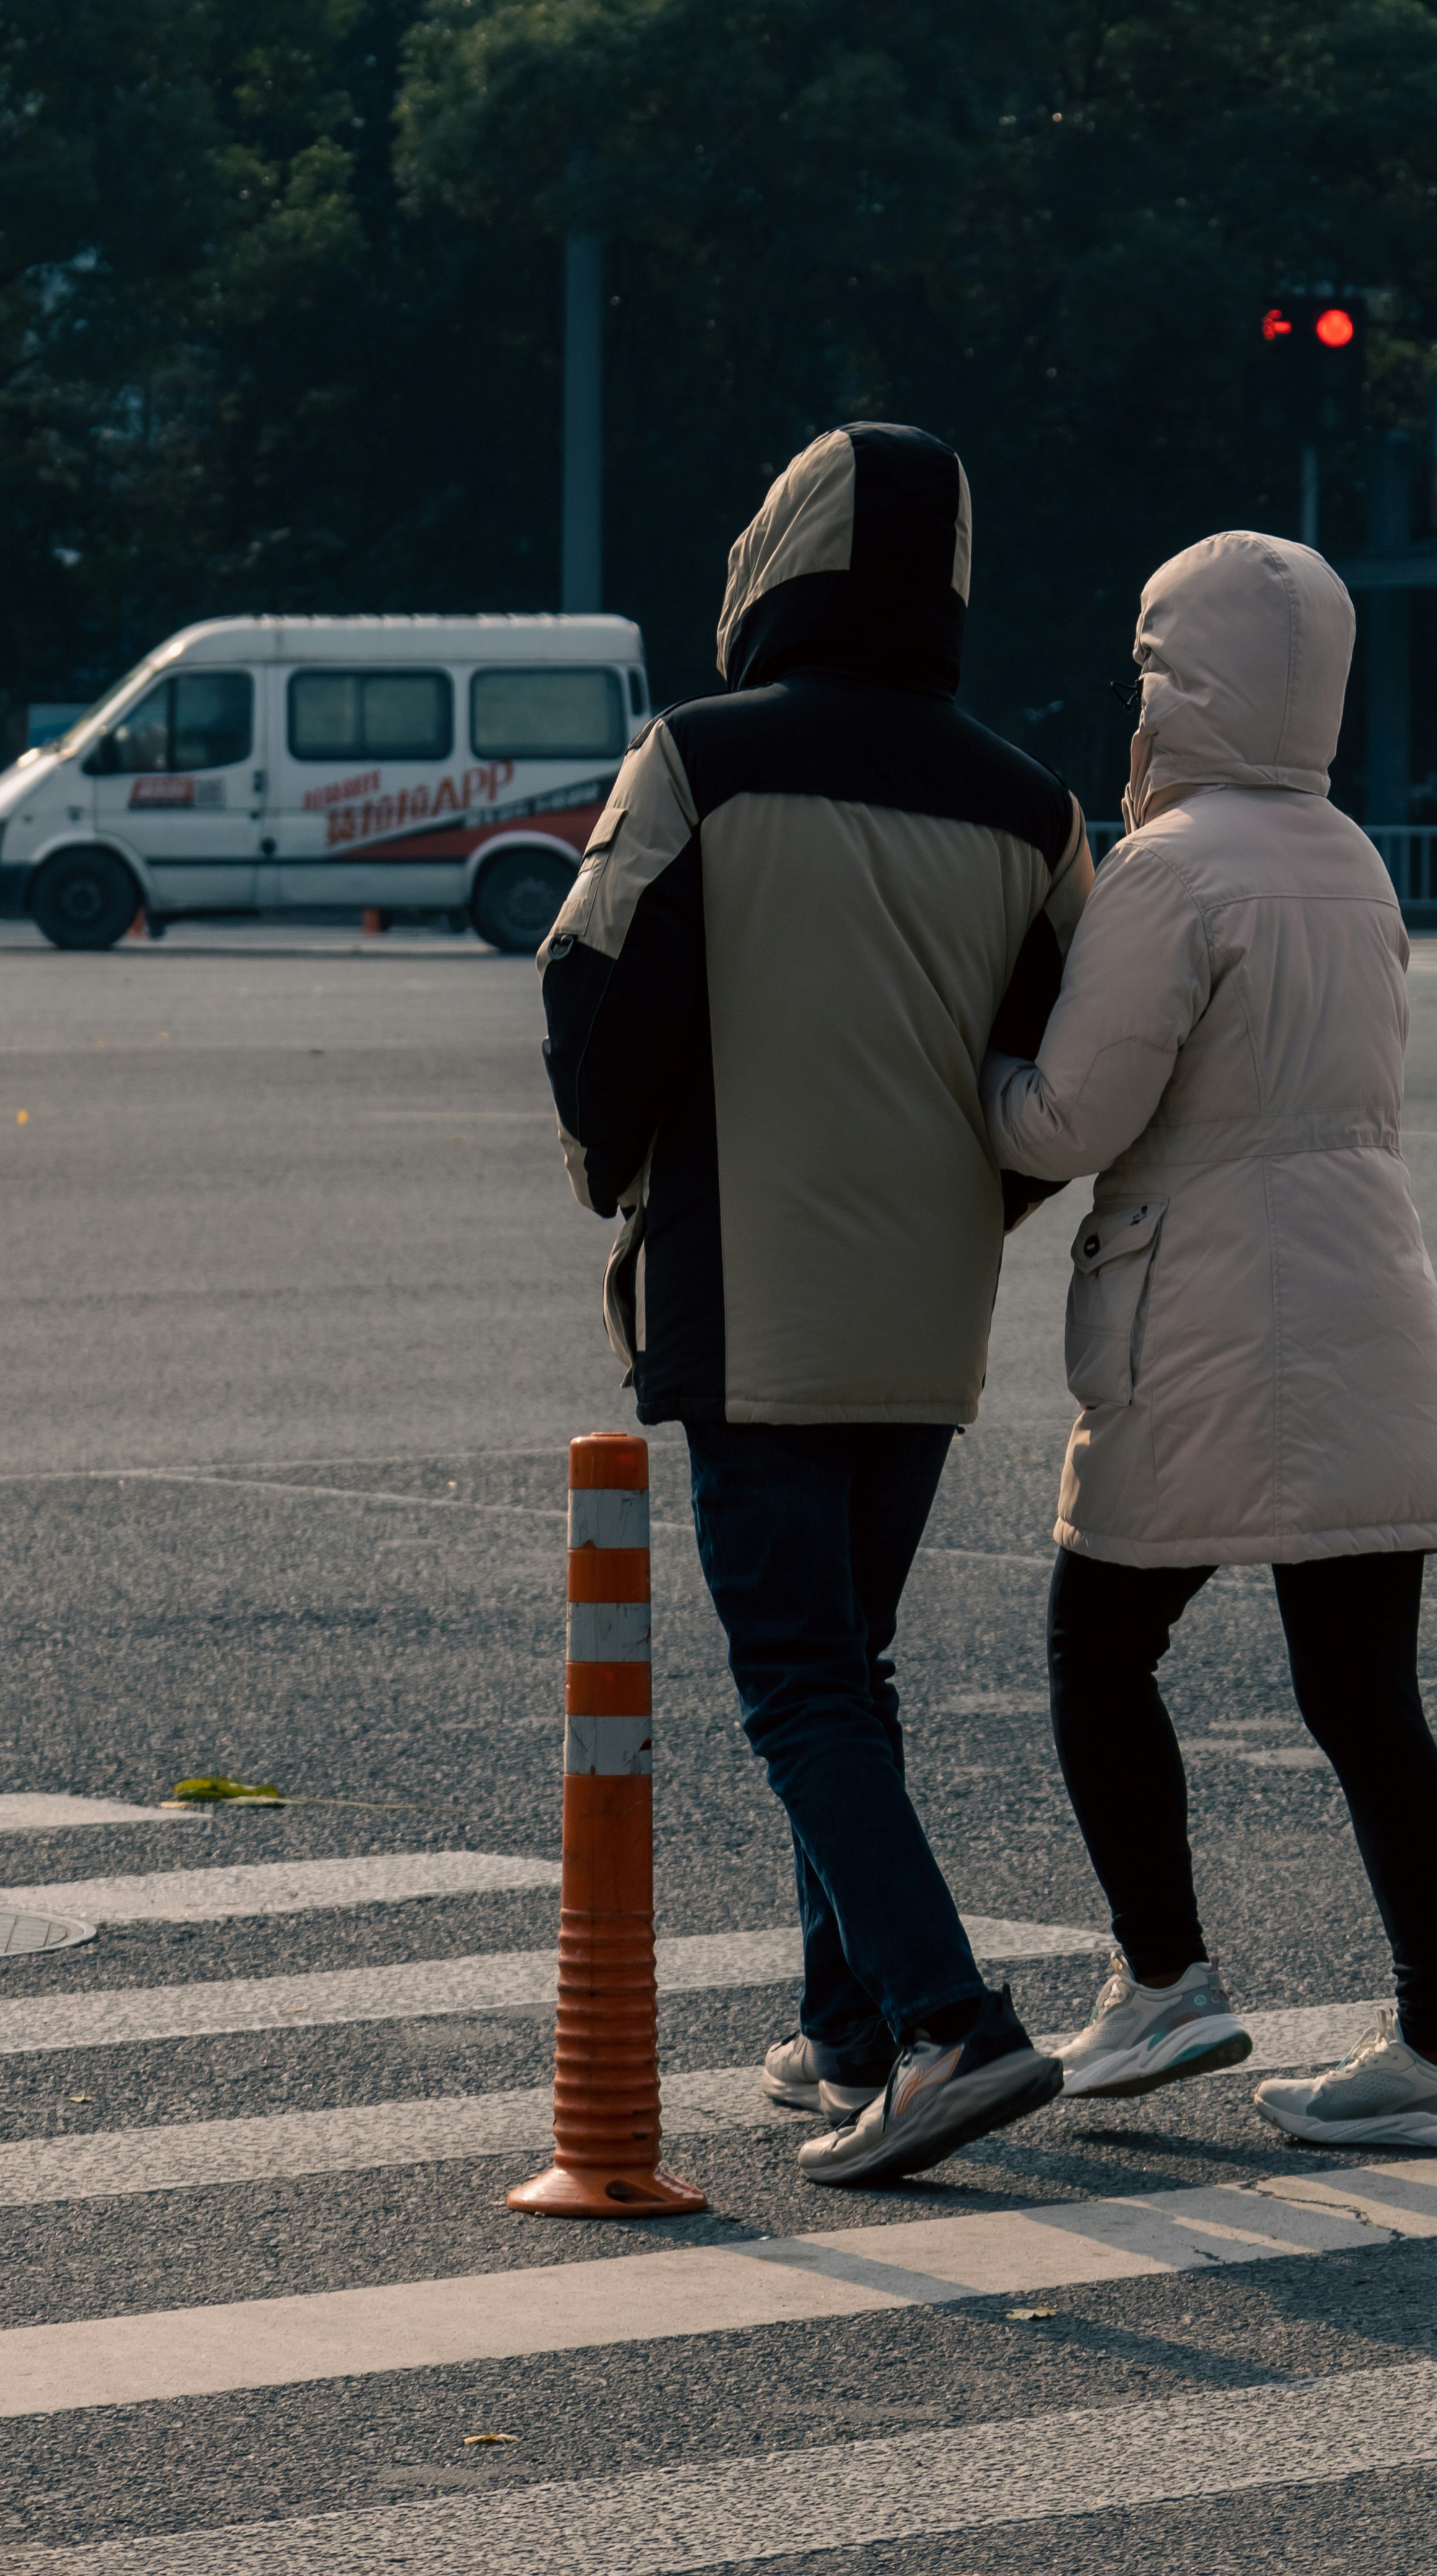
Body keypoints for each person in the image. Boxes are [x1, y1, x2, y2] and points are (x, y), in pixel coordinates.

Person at [539, 421, 1091, 2186]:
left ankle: (947, 2024)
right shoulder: (1031, 804)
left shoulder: (698, 757)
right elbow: (1066, 1076)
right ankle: (844, 2022)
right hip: (927, 1312)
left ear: (777, 557)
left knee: (794, 1682)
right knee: (847, 1664)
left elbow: (592, 991)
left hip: (747, 1283)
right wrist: (966, 1208)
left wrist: (627, 1168)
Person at [981, 529, 1437, 2152]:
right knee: (1366, 1698)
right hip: (1370, 1308)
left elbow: (1070, 1115)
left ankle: (1165, 1979)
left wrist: (977, 1064)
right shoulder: (1349, 854)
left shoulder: (1172, 866)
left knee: (1097, 1646)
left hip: (1203, 1319)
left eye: (1149, 670)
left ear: (1183, 683)